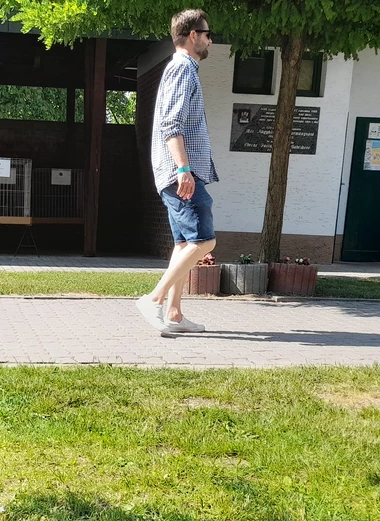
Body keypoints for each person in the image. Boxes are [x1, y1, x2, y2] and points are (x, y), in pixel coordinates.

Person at [136, 8, 217, 334]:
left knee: (184, 244)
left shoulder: (182, 69)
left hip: (175, 171)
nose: (211, 39)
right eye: (208, 33)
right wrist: (183, 168)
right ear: (193, 35)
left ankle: (174, 314)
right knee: (204, 241)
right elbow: (172, 123)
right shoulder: (183, 68)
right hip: (181, 172)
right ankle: (153, 300)